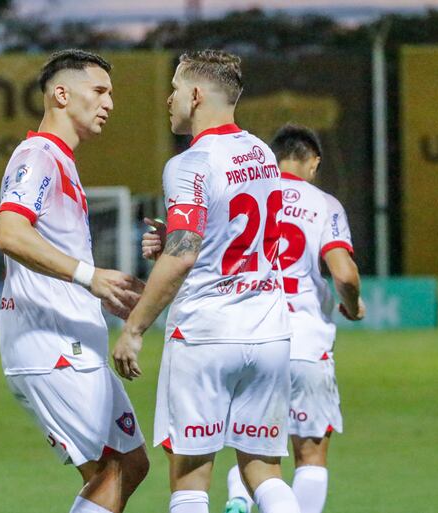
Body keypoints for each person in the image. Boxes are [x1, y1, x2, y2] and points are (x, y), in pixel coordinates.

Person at [113, 50, 301, 513]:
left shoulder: (190, 164)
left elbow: (183, 256)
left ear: (196, 95)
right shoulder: (261, 153)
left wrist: (133, 329)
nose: (169, 98)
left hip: (206, 334)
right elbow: (234, 232)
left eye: (175, 88)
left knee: (191, 481)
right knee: (263, 471)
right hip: (268, 331)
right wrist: (176, 238)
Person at [0, 49, 149, 513]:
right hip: (52, 347)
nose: (109, 103)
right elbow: (9, 232)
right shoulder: (37, 155)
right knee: (111, 469)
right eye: (99, 91)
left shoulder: (61, 160)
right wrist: (90, 276)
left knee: (132, 463)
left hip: (70, 342)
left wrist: (103, 292)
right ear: (61, 94)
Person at [224, 124, 365, 513]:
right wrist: (352, 306)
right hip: (304, 342)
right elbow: (344, 274)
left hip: (250, 340)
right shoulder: (323, 204)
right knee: (310, 453)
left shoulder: (248, 198)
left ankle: (238, 496)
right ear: (314, 162)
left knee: (254, 445)